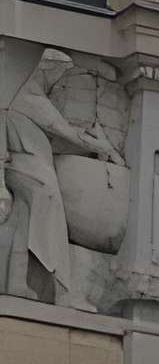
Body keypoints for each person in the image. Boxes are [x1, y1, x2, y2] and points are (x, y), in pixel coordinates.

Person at [5, 49, 119, 303]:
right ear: (46, 67)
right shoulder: (28, 94)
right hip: (32, 173)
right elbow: (62, 130)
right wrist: (101, 147)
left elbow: (54, 138)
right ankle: (63, 291)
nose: (60, 80)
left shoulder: (22, 95)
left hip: (29, 169)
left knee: (27, 226)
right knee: (52, 221)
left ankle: (21, 283)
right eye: (59, 72)